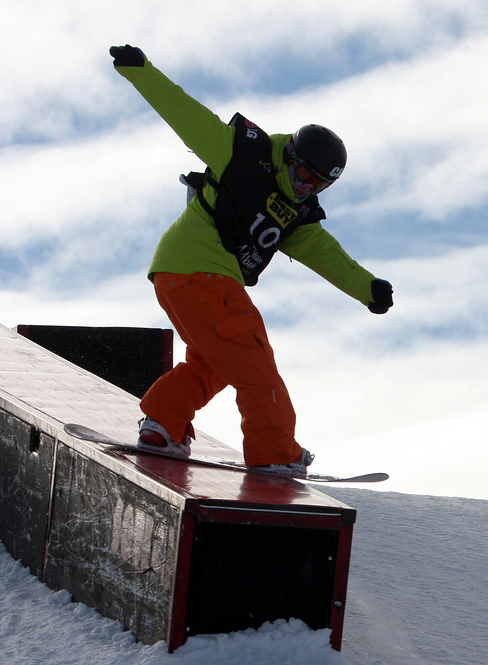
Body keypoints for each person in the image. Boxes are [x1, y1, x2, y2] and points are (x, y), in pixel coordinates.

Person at [110, 44, 393, 477]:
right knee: (254, 359)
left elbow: (326, 254)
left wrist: (367, 288)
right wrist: (141, 71)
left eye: (318, 187)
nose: (304, 189)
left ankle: (162, 425)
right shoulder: (242, 154)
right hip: (199, 273)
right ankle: (274, 450)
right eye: (302, 176)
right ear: (290, 157)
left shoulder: (296, 213)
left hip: (177, 276)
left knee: (216, 361)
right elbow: (187, 115)